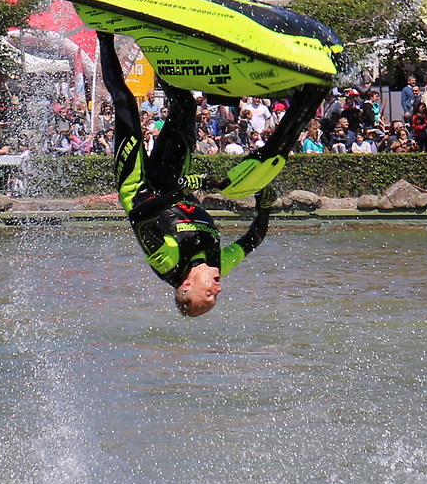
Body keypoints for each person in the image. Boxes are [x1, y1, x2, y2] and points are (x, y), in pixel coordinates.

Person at [98, 33, 324, 317]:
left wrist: (181, 189)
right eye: (215, 296)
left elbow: (140, 218)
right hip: (171, 178)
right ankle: (155, 40)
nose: (217, 290)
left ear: (185, 286)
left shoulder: (169, 263)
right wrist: (263, 207)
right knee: (185, 106)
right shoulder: (219, 263)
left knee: (126, 102)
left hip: (139, 185)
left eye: (207, 293)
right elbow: (252, 240)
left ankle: (103, 36)